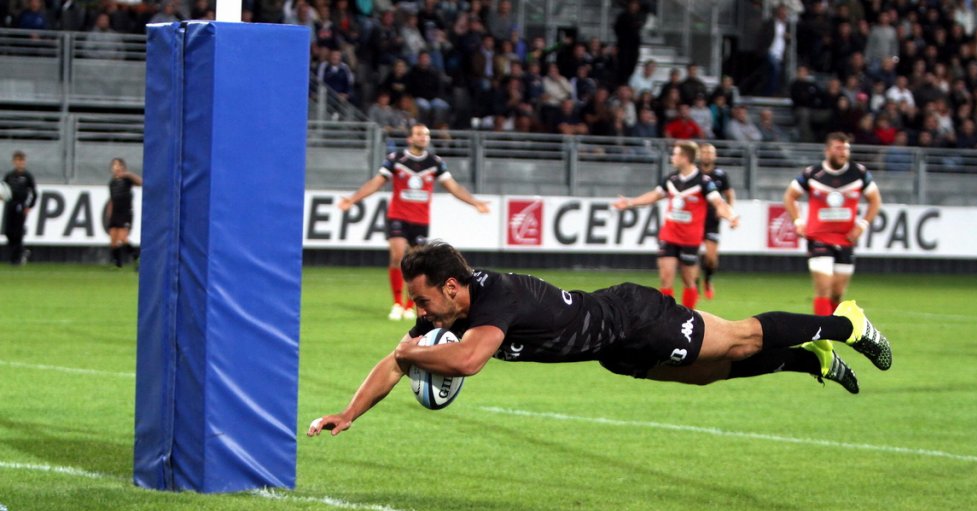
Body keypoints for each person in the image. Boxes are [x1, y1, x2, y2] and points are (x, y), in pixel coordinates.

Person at [307, 240, 894, 438]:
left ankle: (848, 324)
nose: (417, 309)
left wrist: (415, 351)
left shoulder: (494, 301)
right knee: (712, 372)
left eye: (423, 298)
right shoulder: (449, 313)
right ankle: (808, 362)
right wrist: (350, 411)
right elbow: (396, 360)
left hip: (633, 316)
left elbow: (469, 362)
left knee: (739, 337)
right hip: (611, 351)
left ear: (454, 287)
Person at [337, 124, 490, 321]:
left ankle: (412, 305)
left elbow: (453, 187)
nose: (423, 138)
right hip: (398, 216)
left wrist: (474, 202)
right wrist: (353, 199)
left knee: (417, 265)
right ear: (410, 138)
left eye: (426, 135)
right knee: (397, 256)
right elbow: (376, 182)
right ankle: (397, 304)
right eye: (419, 134)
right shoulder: (396, 160)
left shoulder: (434, 162)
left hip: (420, 220)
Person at [612, 140, 740, 310]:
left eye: (676, 154)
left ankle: (688, 315)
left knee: (688, 280)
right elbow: (654, 196)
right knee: (666, 277)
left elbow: (718, 203)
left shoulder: (704, 182)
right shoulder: (671, 179)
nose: (673, 157)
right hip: (669, 235)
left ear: (685, 158)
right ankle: (665, 318)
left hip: (690, 239)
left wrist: (731, 216)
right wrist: (629, 202)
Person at [783, 132, 882, 316]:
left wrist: (862, 225)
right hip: (818, 238)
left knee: (837, 293)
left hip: (846, 239)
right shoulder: (813, 173)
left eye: (846, 149)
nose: (843, 152)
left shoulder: (858, 173)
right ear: (827, 151)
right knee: (824, 287)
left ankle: (833, 330)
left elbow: (875, 200)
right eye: (838, 148)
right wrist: (798, 221)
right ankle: (822, 337)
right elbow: (790, 196)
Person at [696, 143, 737, 300]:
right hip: (695, 221)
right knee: (692, 257)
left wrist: (729, 212)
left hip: (713, 220)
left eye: (710, 152)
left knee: (711, 259)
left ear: (715, 156)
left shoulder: (721, 175)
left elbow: (729, 194)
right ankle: (695, 286)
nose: (707, 155)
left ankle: (707, 279)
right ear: (700, 155)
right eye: (704, 152)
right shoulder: (695, 174)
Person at [105, 158, 142, 268]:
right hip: (115, 213)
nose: (116, 167)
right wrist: (110, 211)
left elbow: (140, 182)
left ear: (123, 167)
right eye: (114, 165)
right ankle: (117, 264)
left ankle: (137, 257)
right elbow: (112, 198)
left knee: (122, 239)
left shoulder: (127, 179)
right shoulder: (112, 182)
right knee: (113, 241)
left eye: (118, 165)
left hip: (125, 212)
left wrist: (128, 174)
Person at [2, 151, 37, 267]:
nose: (19, 163)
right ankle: (21, 252)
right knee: (8, 231)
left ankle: (16, 259)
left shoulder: (27, 176)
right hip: (10, 205)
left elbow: (35, 193)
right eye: (17, 161)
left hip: (21, 206)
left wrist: (29, 206)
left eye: (21, 161)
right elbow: (4, 189)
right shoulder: (9, 175)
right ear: (14, 162)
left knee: (18, 232)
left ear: (24, 162)